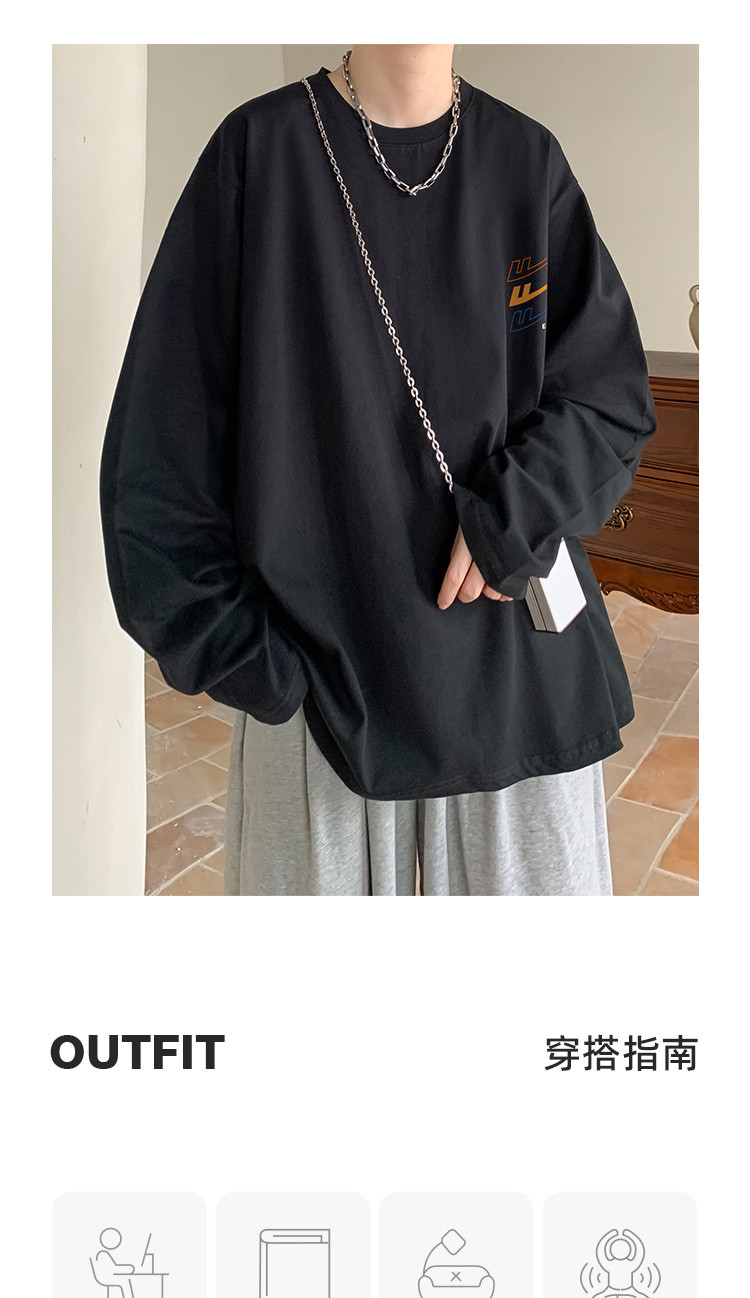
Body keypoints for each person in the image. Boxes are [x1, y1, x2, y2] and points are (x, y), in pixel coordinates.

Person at [99, 45, 656, 896]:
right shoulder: (260, 154)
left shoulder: (524, 159)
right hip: (325, 694)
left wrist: (513, 518)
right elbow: (159, 450)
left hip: (517, 677)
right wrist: (256, 663)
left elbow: (608, 395)